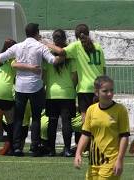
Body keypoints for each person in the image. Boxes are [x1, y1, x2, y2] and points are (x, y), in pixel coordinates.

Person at [0, 23, 65, 157]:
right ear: (37, 33)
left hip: (20, 86)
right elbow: (53, 61)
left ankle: (16, 147)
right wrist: (63, 56)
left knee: (19, 118)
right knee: (36, 118)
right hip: (36, 86)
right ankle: (34, 147)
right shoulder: (40, 46)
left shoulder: (18, 46)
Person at [46, 24, 105, 123]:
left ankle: (86, 137)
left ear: (76, 35)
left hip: (85, 88)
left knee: (85, 118)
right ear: (88, 33)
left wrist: (47, 44)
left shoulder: (77, 45)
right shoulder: (98, 47)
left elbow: (61, 51)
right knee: (98, 115)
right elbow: (104, 69)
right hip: (99, 87)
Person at [74, 75, 130, 180]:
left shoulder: (120, 110)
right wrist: (78, 154)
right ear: (96, 92)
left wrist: (120, 160)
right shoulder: (91, 109)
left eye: (111, 90)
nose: (109, 94)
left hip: (111, 161)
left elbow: (124, 137)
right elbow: (85, 134)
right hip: (93, 162)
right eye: (105, 91)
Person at [43, 29, 77, 157]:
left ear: (53, 40)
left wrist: (47, 88)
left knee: (52, 122)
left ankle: (51, 150)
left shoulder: (48, 56)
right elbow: (74, 76)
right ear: (65, 39)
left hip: (51, 94)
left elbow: (44, 76)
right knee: (66, 122)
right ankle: (67, 149)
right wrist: (71, 88)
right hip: (67, 94)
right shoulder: (71, 56)